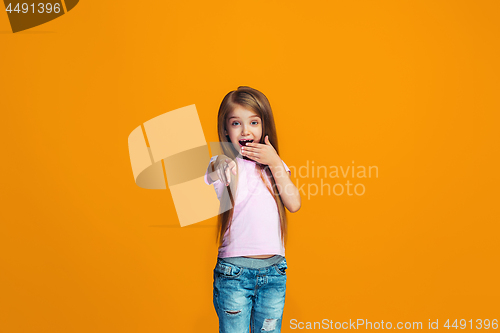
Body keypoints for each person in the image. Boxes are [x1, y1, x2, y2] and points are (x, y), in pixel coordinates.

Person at [204, 86, 301, 332]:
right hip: (234, 274)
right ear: (226, 129)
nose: (246, 130)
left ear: (264, 127)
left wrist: (276, 161)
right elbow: (216, 168)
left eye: (254, 122)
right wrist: (220, 162)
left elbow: (294, 203)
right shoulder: (224, 164)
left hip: (274, 273)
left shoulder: (273, 165)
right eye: (236, 123)